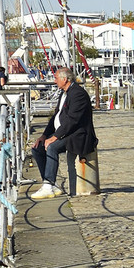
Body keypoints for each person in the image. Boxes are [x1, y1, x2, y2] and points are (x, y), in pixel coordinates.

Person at [31, 66, 97, 199]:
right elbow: (56, 117)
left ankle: (48, 184)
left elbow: (72, 121)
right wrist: (44, 135)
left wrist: (54, 137)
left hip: (78, 135)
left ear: (64, 79)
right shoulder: (65, 93)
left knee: (52, 147)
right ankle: (50, 184)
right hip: (66, 132)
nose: (54, 81)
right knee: (37, 148)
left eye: (56, 78)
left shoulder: (77, 94)